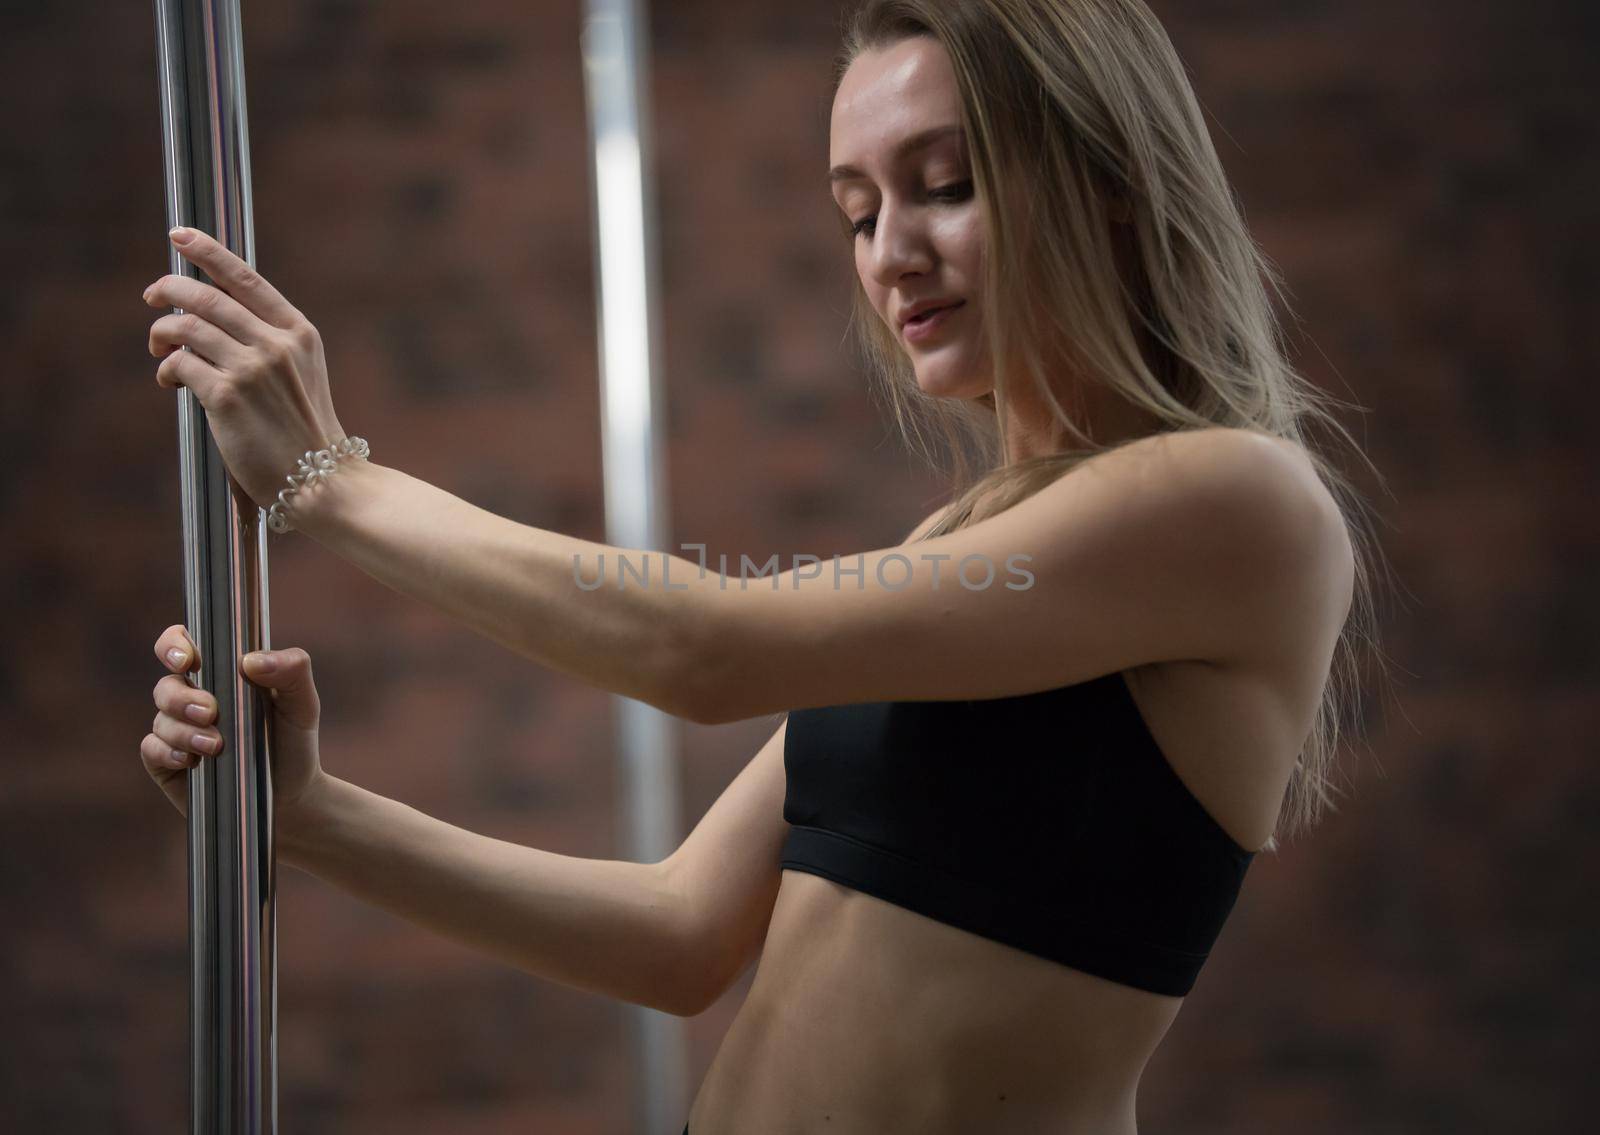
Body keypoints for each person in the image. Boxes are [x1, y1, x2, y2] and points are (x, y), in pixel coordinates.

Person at [139, 1, 1390, 1131]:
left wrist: (331, 479)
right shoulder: (960, 550)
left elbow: (707, 647)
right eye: (857, 209)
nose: (889, 250)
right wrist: (307, 819)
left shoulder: (1240, 500)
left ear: (1109, 179)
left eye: (944, 185)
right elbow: (679, 934)